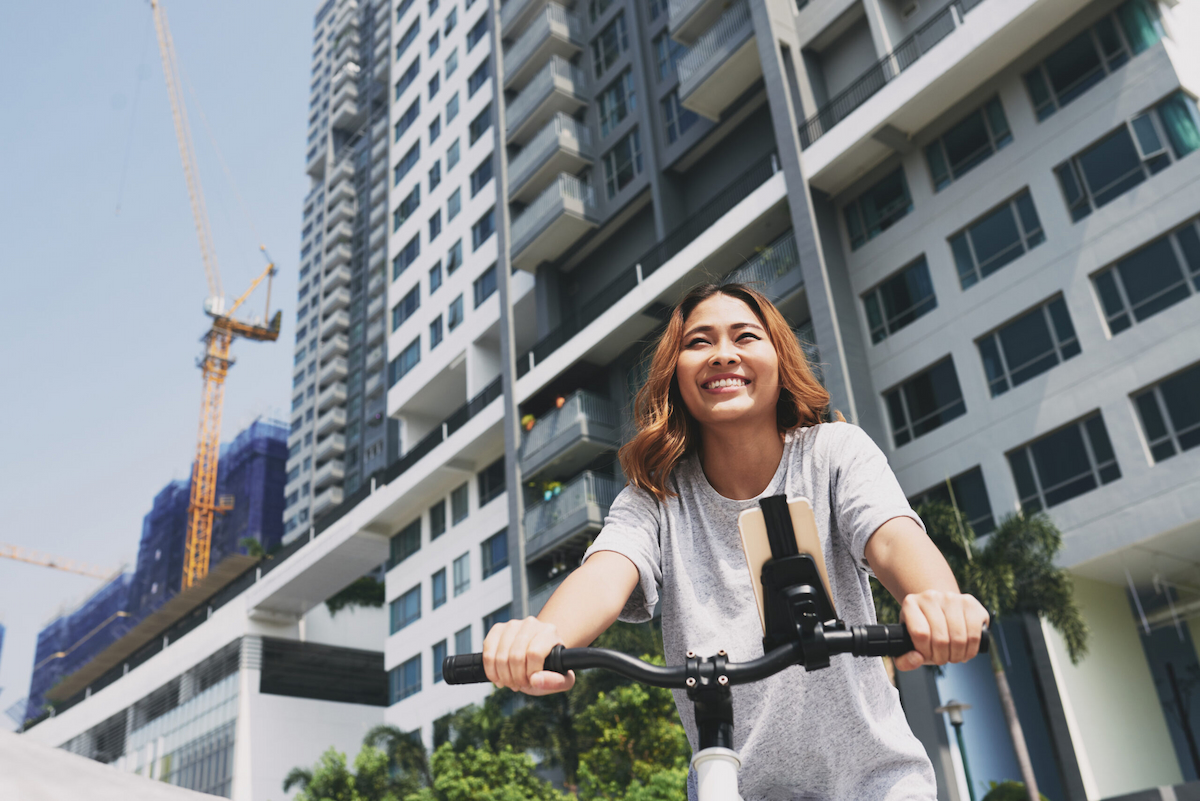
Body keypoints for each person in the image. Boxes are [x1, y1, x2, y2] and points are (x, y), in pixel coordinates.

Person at [483, 283, 989, 800]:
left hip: (875, 784)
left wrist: (935, 600)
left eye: (745, 336)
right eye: (698, 342)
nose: (723, 353)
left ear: (778, 358)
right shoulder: (657, 496)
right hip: (731, 786)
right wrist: (542, 635)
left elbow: (889, 535)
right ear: (674, 375)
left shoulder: (833, 453)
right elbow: (607, 569)